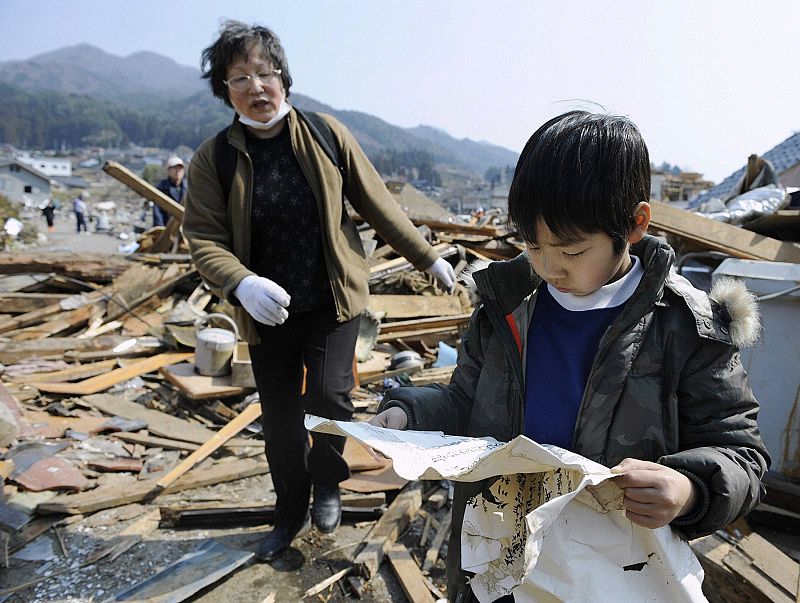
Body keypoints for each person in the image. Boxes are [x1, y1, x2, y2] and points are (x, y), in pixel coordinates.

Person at [371, 110, 770, 602]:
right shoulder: (507, 306)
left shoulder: (687, 327)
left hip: (613, 574)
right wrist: (407, 414)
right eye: (532, 244)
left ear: (634, 225)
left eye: (571, 250)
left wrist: (689, 490)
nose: (547, 265)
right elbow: (465, 403)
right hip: (500, 560)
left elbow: (741, 453)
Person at [182, 20, 456, 563]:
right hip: (267, 312)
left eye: (265, 73)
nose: (256, 87)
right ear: (225, 91)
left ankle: (328, 482)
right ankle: (289, 509)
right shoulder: (214, 159)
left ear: (283, 77)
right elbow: (203, 239)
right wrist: (241, 282)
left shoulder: (326, 135)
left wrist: (427, 258)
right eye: (240, 78)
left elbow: (378, 203)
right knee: (281, 419)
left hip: (332, 301)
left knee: (329, 399)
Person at [154, 156, 186, 227]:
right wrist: (160, 229)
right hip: (167, 225)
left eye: (180, 168)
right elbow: (158, 211)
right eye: (175, 168)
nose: (178, 171)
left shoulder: (189, 188)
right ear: (168, 170)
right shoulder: (162, 188)